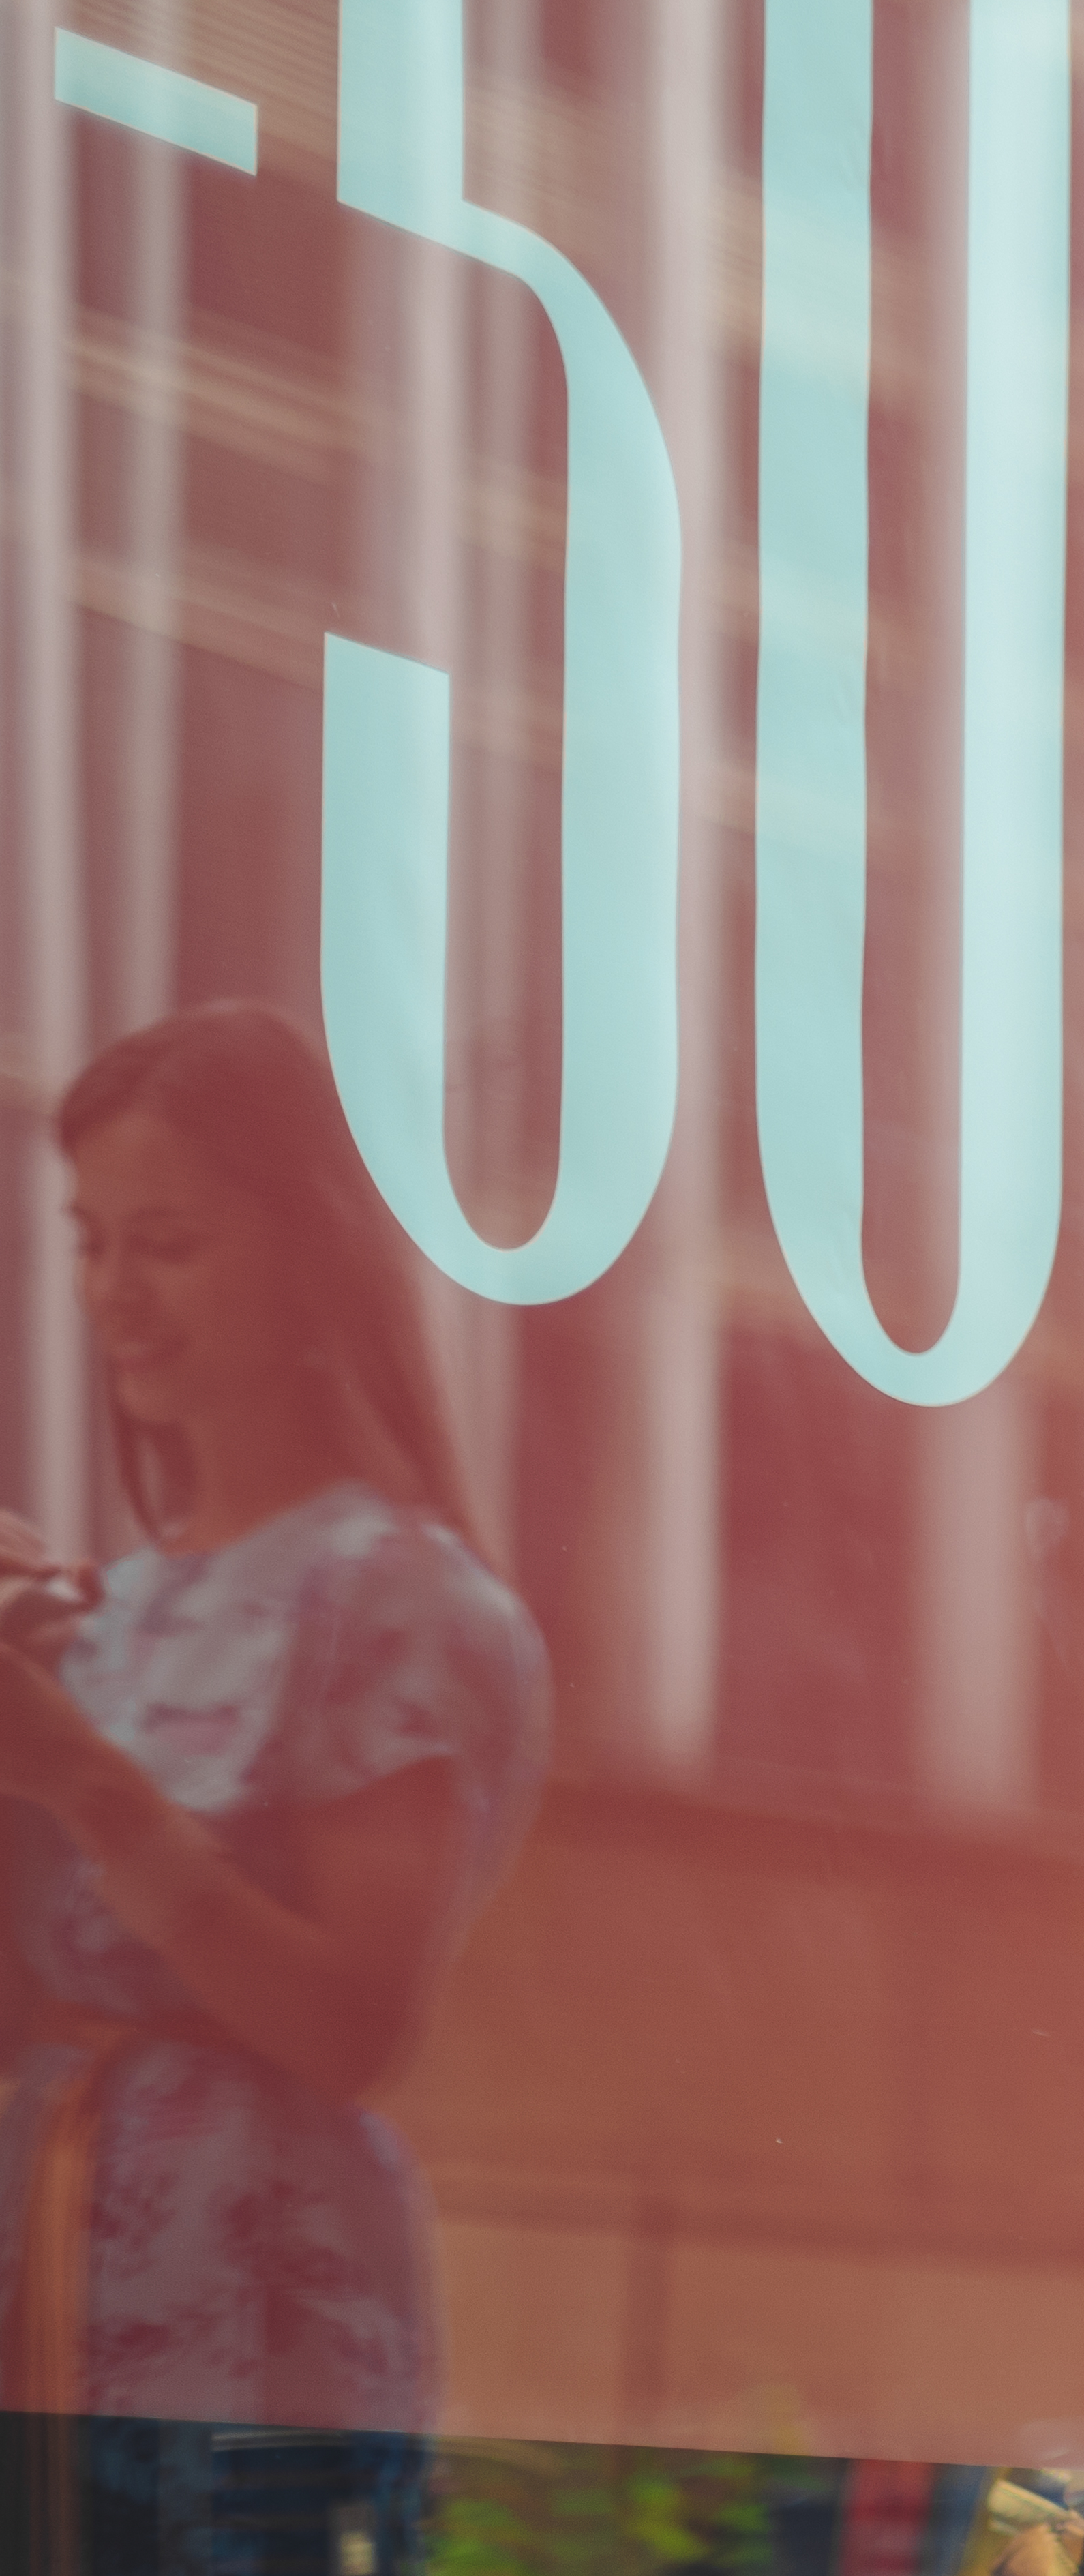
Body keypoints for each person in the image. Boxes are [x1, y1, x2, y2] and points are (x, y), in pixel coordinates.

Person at [0, 1000, 547, 2453]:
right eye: (92, 1239)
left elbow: (352, 2026)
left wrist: (73, 1773)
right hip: (55, 2259)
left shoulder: (398, 1596)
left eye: (168, 1242)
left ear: (310, 1253)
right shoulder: (105, 1604)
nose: (117, 1291)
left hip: (248, 2295)